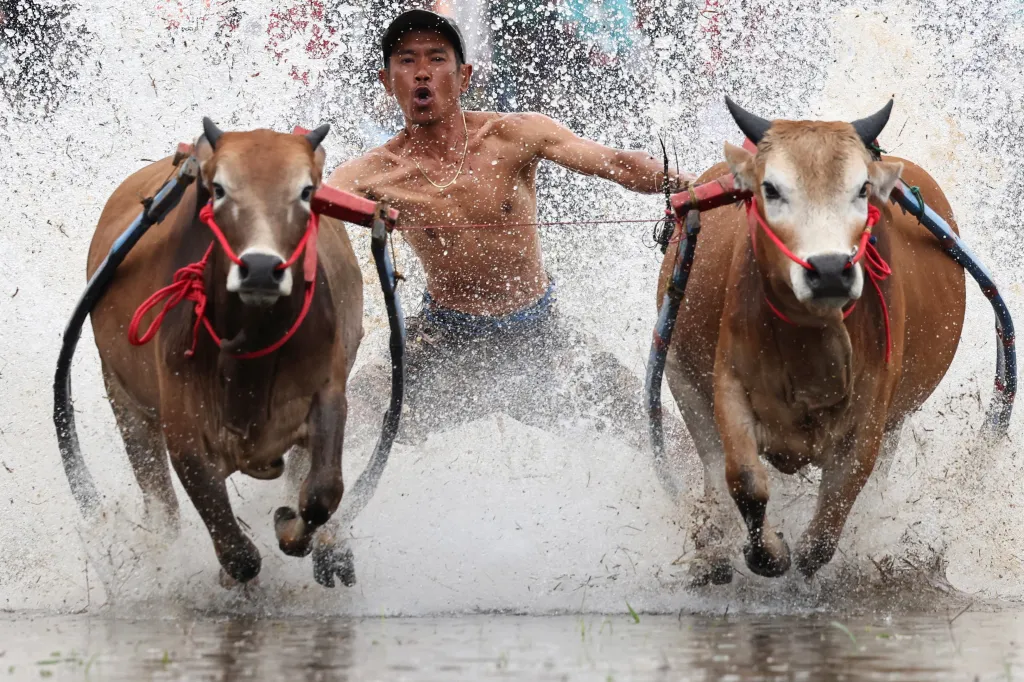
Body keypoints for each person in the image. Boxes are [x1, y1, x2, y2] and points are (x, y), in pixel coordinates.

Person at [328, 10, 692, 485]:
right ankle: (302, 525)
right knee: (337, 421)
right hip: (442, 341)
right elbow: (303, 212)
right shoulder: (372, 173)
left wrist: (689, 186)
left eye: (437, 59)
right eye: (406, 60)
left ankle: (706, 528)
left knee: (665, 433)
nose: (421, 72)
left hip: (542, 336)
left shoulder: (513, 134)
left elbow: (618, 164)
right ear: (386, 80)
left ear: (463, 76)